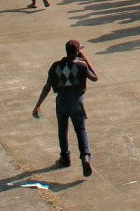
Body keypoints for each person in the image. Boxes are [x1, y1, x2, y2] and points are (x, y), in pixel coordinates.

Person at [32, 39, 98, 177]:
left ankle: (65, 156)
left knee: (62, 129)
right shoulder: (81, 66)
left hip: (61, 101)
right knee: (80, 130)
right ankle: (85, 156)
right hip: (77, 102)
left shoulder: (56, 66)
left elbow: (47, 86)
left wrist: (38, 105)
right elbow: (95, 78)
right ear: (77, 52)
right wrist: (85, 59)